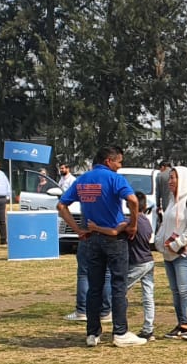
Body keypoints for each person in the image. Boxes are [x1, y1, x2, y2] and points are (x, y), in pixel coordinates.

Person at [57, 147, 145, 347]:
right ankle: (120, 332)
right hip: (114, 239)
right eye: (119, 162)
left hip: (91, 238)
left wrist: (78, 229)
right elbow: (132, 200)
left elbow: (61, 206)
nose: (120, 166)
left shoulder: (82, 180)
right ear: (108, 161)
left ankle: (92, 333)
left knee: (94, 287)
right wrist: (133, 224)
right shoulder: (115, 179)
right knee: (118, 286)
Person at [154, 165, 187, 340]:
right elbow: (165, 224)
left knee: (186, 290)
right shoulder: (173, 200)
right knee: (176, 291)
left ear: (183, 179)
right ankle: (183, 324)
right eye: (169, 178)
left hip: (186, 252)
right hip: (169, 253)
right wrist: (159, 242)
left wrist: (177, 244)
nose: (170, 181)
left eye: (173, 178)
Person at [125, 191, 158, 339]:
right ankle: (148, 328)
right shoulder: (146, 220)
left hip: (137, 262)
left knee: (119, 292)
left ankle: (120, 325)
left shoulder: (130, 222)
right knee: (148, 296)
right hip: (149, 260)